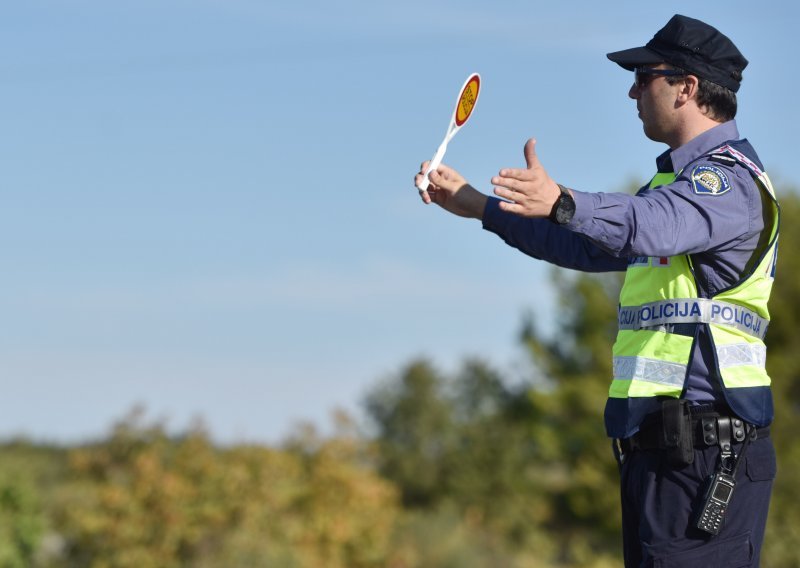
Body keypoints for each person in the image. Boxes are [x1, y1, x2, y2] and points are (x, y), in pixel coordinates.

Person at [414, 14, 778, 567]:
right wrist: (476, 205)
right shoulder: (670, 189)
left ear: (688, 87)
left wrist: (562, 199)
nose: (633, 90)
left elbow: (646, 222)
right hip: (667, 456)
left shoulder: (725, 184)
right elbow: (586, 246)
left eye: (645, 75)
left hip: (705, 457)